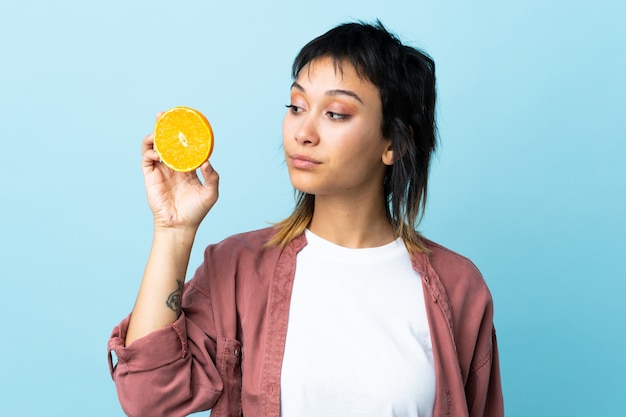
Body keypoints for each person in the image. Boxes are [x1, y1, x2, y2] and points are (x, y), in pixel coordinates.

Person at [108, 21, 504, 417]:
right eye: (296, 107)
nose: (303, 131)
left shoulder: (458, 288)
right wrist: (174, 230)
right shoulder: (237, 269)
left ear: (395, 144)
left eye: (335, 113)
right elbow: (147, 395)